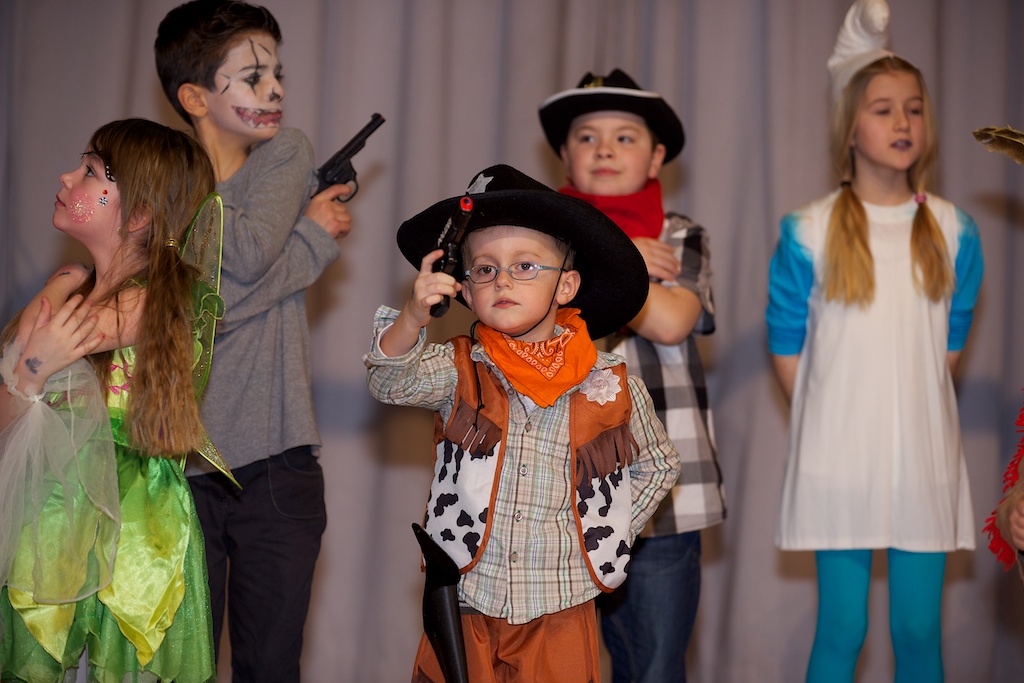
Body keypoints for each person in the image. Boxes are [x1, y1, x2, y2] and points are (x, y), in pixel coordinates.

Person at [365, 164, 681, 682]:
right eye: (484, 269)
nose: (503, 280)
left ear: (566, 286)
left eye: (526, 266)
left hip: (560, 603)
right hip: (469, 596)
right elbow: (390, 382)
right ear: (466, 292)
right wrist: (411, 319)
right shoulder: (457, 368)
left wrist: (604, 532)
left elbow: (660, 465)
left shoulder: (610, 383)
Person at [765, 1, 983, 681]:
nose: (903, 122)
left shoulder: (954, 230)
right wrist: (835, 419)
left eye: (914, 109)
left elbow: (949, 342)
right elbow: (786, 346)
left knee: (917, 629)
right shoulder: (808, 229)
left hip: (923, 459)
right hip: (839, 462)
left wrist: (907, 408)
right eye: (883, 109)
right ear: (850, 127)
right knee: (844, 627)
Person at [154, 2, 352, 679]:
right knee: (183, 666)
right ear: (195, 98)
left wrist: (289, 242)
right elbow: (200, 300)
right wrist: (313, 240)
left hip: (275, 464)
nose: (275, 90)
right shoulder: (166, 176)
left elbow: (236, 266)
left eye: (278, 74)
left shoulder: (285, 153)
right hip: (179, 468)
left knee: (269, 665)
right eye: (252, 77)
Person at [1, 118, 221, 682]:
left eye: (91, 172)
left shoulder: (156, 302)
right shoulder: (79, 291)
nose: (67, 176)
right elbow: (15, 392)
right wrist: (62, 284)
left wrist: (57, 289)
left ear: (139, 215)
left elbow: (39, 348)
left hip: (130, 526)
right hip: (55, 512)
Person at [538, 68, 724, 683]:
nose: (605, 150)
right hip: (555, 491)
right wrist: (619, 255)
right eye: (587, 138)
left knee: (655, 668)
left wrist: (596, 265)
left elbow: (671, 322)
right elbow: (529, 323)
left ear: (657, 156)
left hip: (664, 498)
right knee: (557, 665)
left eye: (624, 137)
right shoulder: (537, 243)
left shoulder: (680, 234)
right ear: (564, 154)